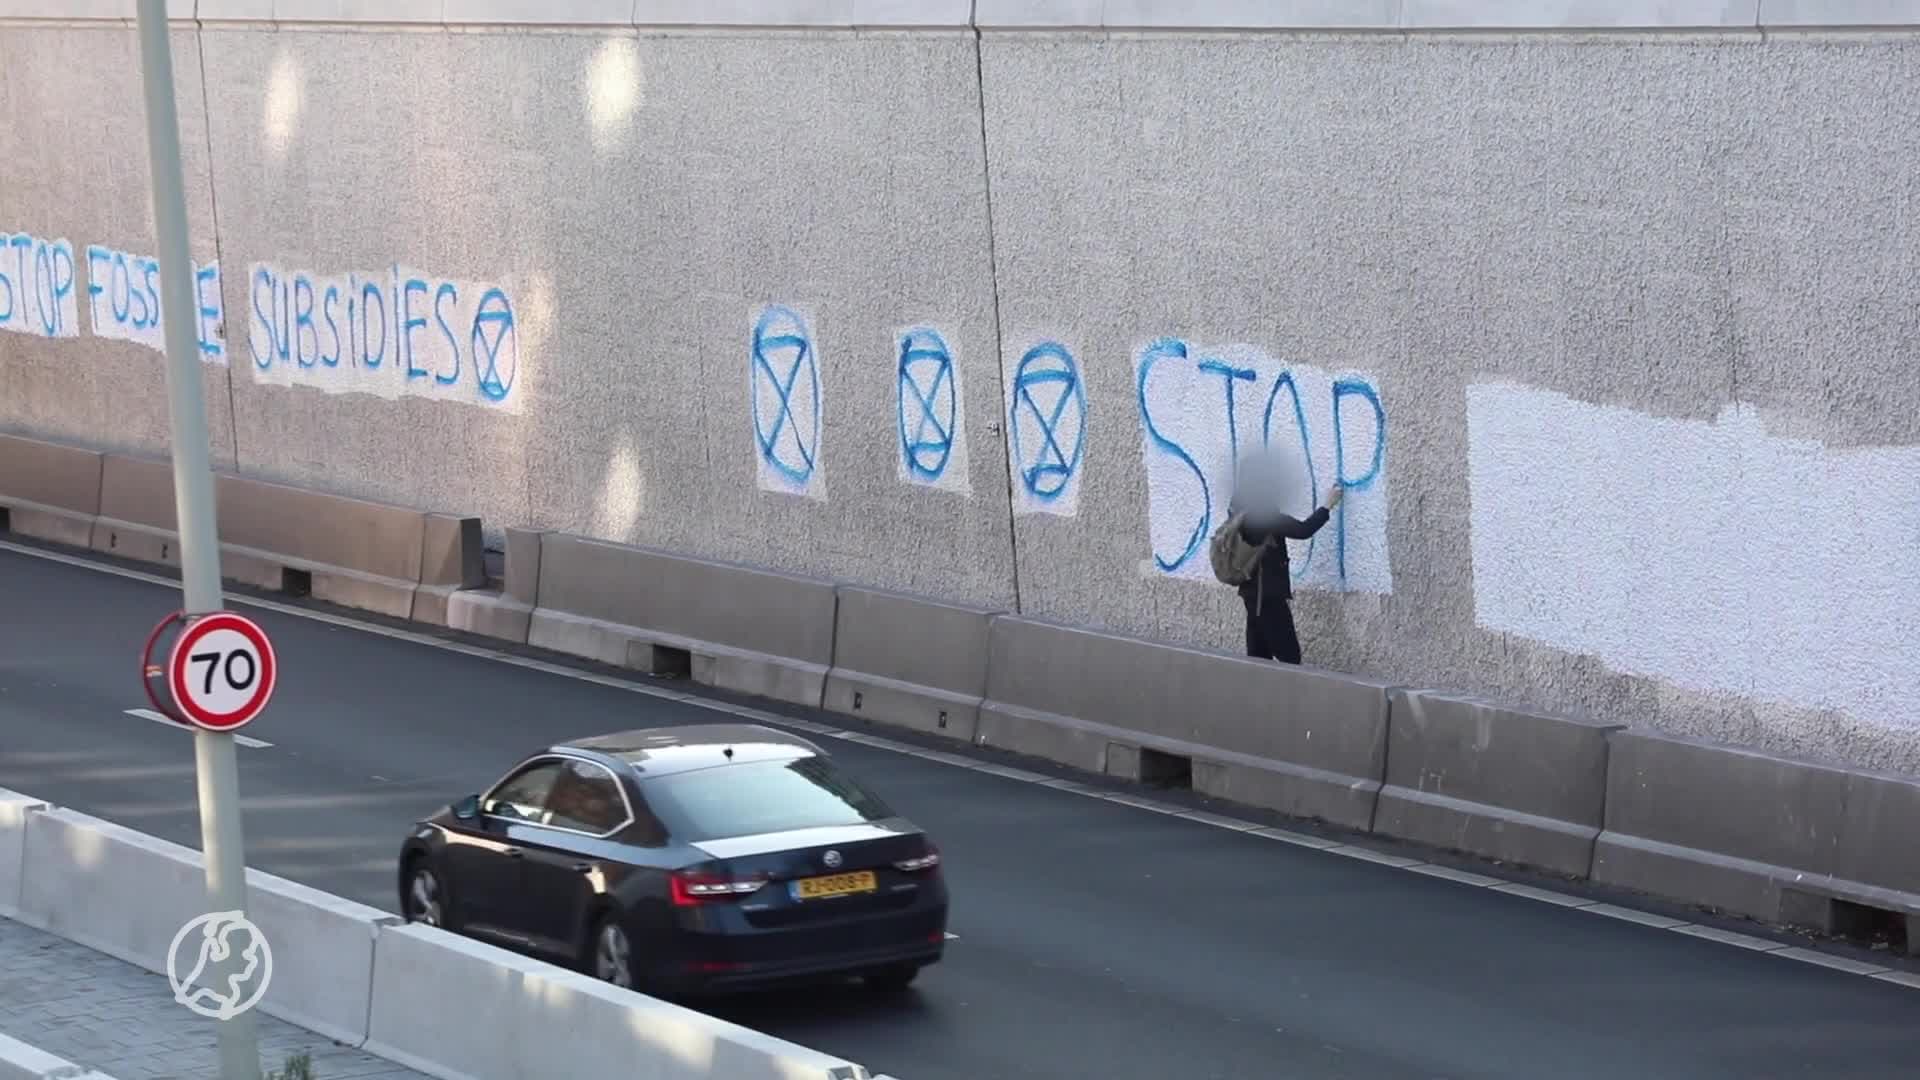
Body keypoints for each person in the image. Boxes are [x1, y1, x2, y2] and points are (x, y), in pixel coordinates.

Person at [1233, 482, 1342, 664]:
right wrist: (1327, 505)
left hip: (1251, 595)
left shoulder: (1239, 518)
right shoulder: (1267, 519)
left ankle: (1259, 691)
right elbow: (1304, 530)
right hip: (1269, 598)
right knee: (1289, 656)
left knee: (1258, 655)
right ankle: (1289, 692)